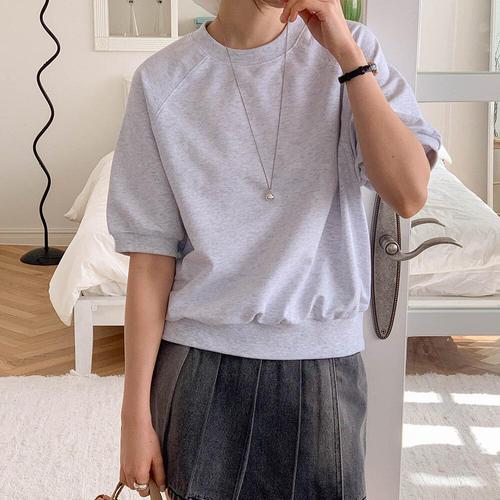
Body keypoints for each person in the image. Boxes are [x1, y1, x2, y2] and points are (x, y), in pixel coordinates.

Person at [105, 0, 442, 499]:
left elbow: (408, 193)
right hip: (203, 365)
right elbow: (151, 259)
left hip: (324, 365)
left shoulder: (353, 49)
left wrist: (347, 55)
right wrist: (134, 417)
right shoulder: (162, 80)